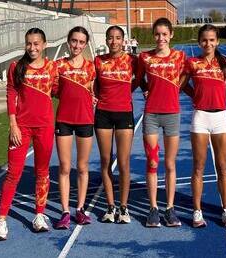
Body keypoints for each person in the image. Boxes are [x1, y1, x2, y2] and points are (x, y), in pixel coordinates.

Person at [0, 28, 58, 241]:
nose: (32, 48)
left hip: (45, 127)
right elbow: (11, 94)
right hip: (21, 127)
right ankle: (1, 221)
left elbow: (61, 90)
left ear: (44, 45)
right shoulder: (16, 67)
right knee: (13, 173)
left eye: (37, 43)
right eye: (29, 43)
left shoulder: (52, 67)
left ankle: (39, 215)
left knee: (42, 172)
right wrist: (13, 124)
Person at [181, 24, 226, 228]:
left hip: (221, 118)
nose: (208, 43)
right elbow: (182, 84)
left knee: (222, 167)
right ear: (199, 42)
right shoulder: (193, 63)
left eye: (212, 40)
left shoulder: (225, 63)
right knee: (199, 166)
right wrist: (195, 95)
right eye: (204, 40)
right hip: (200, 118)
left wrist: (224, 97)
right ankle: (197, 211)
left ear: (217, 41)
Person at [136, 17, 186, 227]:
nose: (161, 38)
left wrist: (176, 89)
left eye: (165, 34)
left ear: (171, 35)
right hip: (152, 115)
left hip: (172, 114)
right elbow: (139, 79)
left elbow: (186, 76)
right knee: (153, 162)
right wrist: (146, 89)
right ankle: (153, 208)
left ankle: (170, 208)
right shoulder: (145, 57)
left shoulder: (180, 56)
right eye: (157, 34)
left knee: (170, 163)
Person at [94, 25, 137, 224]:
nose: (114, 41)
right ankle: (110, 207)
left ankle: (124, 207)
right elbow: (94, 86)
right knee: (105, 160)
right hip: (103, 114)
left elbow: (139, 82)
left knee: (124, 162)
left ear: (123, 40)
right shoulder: (98, 61)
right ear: (106, 40)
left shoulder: (132, 61)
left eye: (118, 38)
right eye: (110, 38)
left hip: (124, 114)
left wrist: (129, 90)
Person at [54, 26, 96, 229]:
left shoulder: (92, 67)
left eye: (81, 42)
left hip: (86, 120)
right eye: (74, 41)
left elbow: (99, 91)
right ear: (68, 41)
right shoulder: (58, 66)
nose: (77, 45)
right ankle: (64, 211)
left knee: (82, 167)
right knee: (64, 167)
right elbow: (52, 90)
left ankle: (79, 209)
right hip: (63, 120)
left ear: (86, 44)